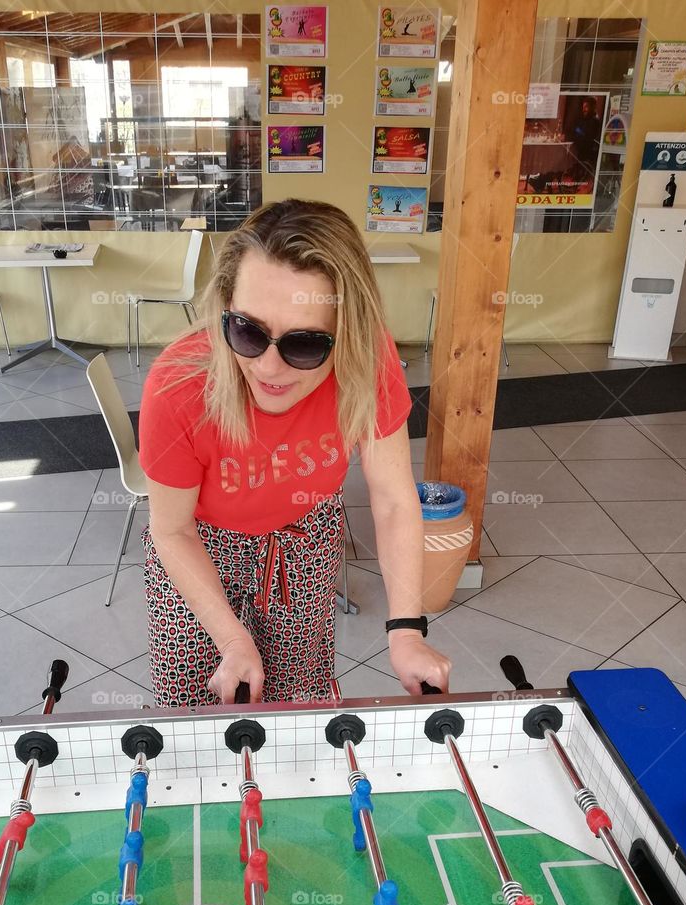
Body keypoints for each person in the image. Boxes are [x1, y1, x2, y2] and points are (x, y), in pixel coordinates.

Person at [137, 198, 452, 707]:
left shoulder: (369, 359)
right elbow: (172, 529)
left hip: (304, 536)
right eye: (248, 331)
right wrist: (234, 640)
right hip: (201, 545)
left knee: (301, 704)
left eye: (304, 344)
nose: (268, 367)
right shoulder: (179, 385)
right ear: (224, 310)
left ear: (347, 333)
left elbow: (394, 499)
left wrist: (406, 633)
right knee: (198, 709)